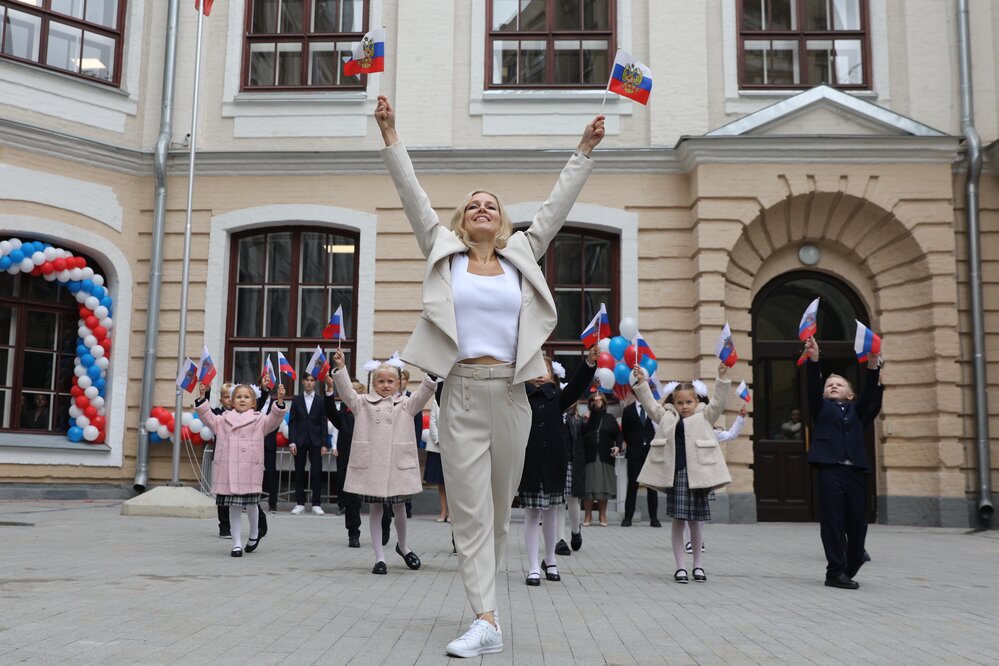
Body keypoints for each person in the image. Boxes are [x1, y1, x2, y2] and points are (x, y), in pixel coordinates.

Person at [375, 94, 604, 657]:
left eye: (491, 205)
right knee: (472, 515)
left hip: (512, 394)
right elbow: (413, 198)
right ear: (461, 219)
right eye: (473, 204)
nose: (482, 209)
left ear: (501, 221)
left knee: (500, 513)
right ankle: (486, 617)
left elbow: (554, 209)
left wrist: (584, 151)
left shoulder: (522, 253)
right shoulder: (444, 252)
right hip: (461, 396)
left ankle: (488, 612)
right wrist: (390, 135)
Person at [331, 350, 435, 574]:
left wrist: (431, 375)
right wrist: (341, 368)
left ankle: (403, 546)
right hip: (372, 467)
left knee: (400, 508)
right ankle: (379, 557)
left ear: (398, 383)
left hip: (397, 465)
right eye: (381, 381)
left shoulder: (406, 404)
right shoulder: (362, 404)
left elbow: (424, 394)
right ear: (373, 382)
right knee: (376, 509)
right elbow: (346, 391)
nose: (386, 385)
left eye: (390, 381)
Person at [631, 363, 732, 584]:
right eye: (680, 402)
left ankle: (698, 565)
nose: (684, 406)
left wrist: (722, 378)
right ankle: (680, 567)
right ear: (673, 403)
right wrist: (641, 383)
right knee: (678, 520)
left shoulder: (705, 415)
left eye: (689, 402)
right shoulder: (666, 416)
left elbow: (719, 402)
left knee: (695, 522)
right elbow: (649, 405)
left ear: (696, 402)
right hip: (676, 475)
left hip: (698, 475)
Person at [804, 336, 884, 590]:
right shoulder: (821, 409)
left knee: (858, 523)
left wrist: (873, 364)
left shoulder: (856, 412)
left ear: (850, 394)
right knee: (833, 521)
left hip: (855, 471)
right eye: (829, 385)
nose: (834, 387)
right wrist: (814, 358)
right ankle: (835, 572)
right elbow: (811, 384)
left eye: (839, 384)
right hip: (830, 470)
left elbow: (871, 392)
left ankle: (850, 563)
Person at [517, 350, 597, 586]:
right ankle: (533, 566)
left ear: (553, 375)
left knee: (552, 513)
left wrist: (589, 363)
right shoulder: (522, 396)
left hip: (554, 461)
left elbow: (579, 385)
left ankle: (550, 560)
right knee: (532, 514)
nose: (540, 376)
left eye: (545, 371)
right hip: (530, 462)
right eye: (535, 371)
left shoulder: (559, 397)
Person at [195, 381, 287, 557]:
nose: (242, 400)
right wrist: (202, 398)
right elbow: (208, 418)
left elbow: (274, 421)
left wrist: (280, 402)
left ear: (254, 402)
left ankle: (253, 534)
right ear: (231, 401)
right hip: (229, 471)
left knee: (252, 504)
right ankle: (236, 544)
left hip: (250, 469)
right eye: (238, 397)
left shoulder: (260, 419)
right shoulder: (223, 420)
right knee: (234, 508)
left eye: (246, 397)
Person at [207, 380, 270, 538]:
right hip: (225, 459)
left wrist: (265, 389)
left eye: (244, 397)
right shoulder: (220, 415)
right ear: (224, 399)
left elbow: (257, 403)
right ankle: (225, 527)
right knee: (225, 499)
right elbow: (206, 412)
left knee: (250, 501)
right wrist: (205, 392)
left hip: (245, 464)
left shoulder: (254, 415)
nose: (235, 399)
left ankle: (257, 528)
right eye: (227, 397)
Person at [685, 403, 748, 554]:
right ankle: (688, 541)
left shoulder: (710, 432)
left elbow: (731, 434)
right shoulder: (684, 430)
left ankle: (698, 541)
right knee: (686, 511)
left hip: (704, 476)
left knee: (700, 511)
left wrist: (740, 417)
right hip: (687, 475)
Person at [324, 375, 364, 548]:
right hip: (349, 460)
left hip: (370, 460)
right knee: (351, 499)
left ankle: (384, 526)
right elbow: (330, 412)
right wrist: (330, 390)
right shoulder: (344, 415)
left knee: (379, 499)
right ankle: (353, 533)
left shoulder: (368, 413)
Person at [288, 374, 329, 515]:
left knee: (316, 472)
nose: (309, 383)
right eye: (307, 380)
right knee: (299, 471)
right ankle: (300, 503)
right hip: (299, 440)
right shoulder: (296, 399)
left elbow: (324, 422)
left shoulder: (320, 400)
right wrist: (292, 441)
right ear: (303, 382)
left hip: (316, 441)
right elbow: (292, 422)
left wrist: (324, 443)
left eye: (312, 380)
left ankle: (316, 503)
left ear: (316, 383)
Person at [581, 392, 621, 527]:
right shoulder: (587, 418)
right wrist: (586, 419)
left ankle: (602, 515)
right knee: (588, 488)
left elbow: (618, 435)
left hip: (605, 458)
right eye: (594, 400)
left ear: (604, 402)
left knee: (603, 488)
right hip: (589, 457)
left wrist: (618, 447)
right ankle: (587, 515)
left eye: (600, 400)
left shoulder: (610, 418)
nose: (598, 402)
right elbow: (581, 434)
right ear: (590, 403)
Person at [621, 396, 660, 528]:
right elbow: (625, 431)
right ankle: (628, 518)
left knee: (652, 486)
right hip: (634, 453)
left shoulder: (653, 409)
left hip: (650, 453)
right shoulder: (628, 410)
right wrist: (632, 442)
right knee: (632, 486)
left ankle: (654, 518)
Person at [425, 390, 448, 522]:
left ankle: (452, 512)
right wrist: (439, 440)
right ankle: (443, 510)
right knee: (441, 482)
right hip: (438, 447)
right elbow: (432, 422)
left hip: (455, 448)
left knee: (453, 483)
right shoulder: (436, 401)